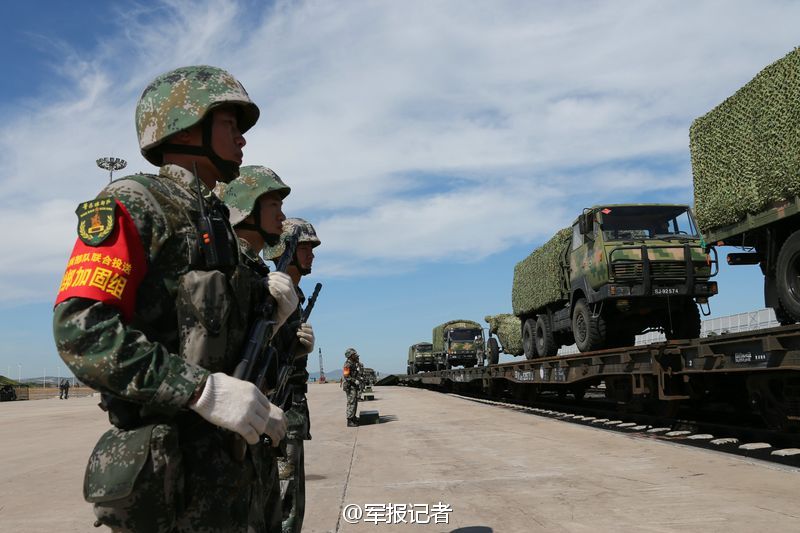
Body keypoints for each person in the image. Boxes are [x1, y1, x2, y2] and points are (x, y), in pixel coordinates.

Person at [52, 65, 295, 532]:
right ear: (185, 127)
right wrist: (198, 389)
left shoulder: (213, 217)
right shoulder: (135, 201)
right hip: (175, 483)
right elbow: (81, 330)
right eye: (230, 123)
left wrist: (273, 319)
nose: (242, 138)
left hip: (235, 476)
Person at [218, 165, 301, 533]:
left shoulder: (253, 269)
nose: (282, 216)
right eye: (273, 205)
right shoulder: (229, 265)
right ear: (246, 208)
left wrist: (286, 335)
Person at [264, 218, 320, 533]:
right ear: (285, 250)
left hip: (292, 406)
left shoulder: (292, 292)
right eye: (304, 247)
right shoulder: (272, 291)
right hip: (280, 407)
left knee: (292, 501)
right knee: (285, 504)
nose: (311, 254)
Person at [342, 348, 362, 427]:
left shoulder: (353, 363)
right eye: (354, 354)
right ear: (350, 355)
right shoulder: (347, 364)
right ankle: (350, 420)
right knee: (351, 402)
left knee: (354, 402)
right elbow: (346, 376)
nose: (355, 355)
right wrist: (354, 380)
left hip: (353, 385)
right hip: (349, 386)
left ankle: (353, 417)